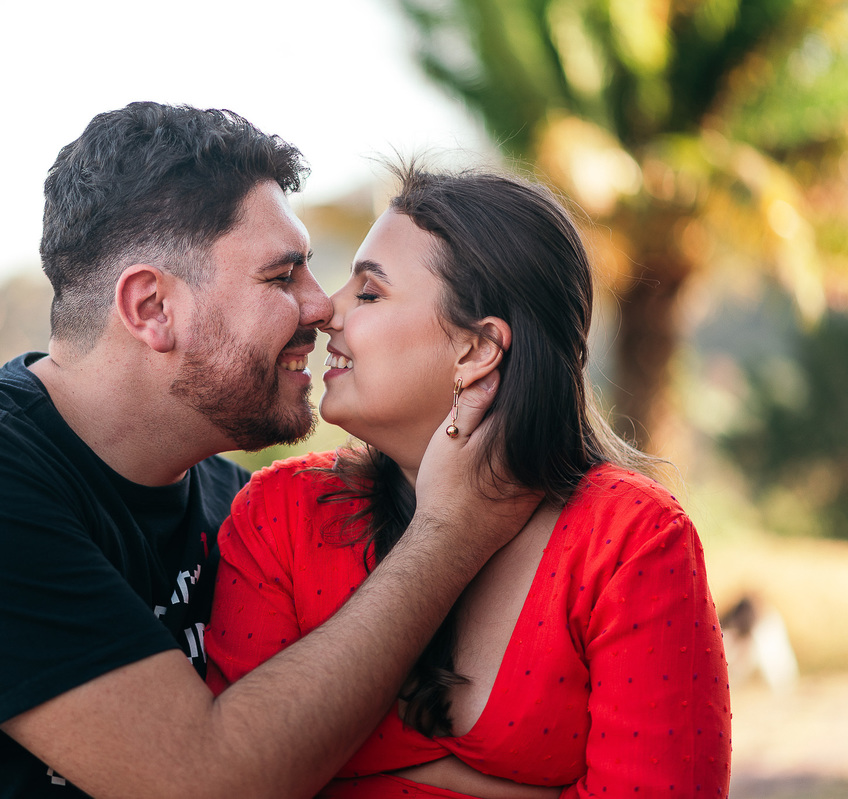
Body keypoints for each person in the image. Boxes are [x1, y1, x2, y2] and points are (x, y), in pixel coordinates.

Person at [0, 104, 538, 799]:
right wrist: (449, 532)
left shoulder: (243, 514)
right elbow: (208, 780)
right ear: (152, 307)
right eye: (282, 275)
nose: (320, 305)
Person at [206, 164, 733, 797]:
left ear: (477, 351)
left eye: (368, 293)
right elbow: (229, 778)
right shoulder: (279, 514)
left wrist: (348, 772)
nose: (324, 311)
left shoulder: (630, 540)